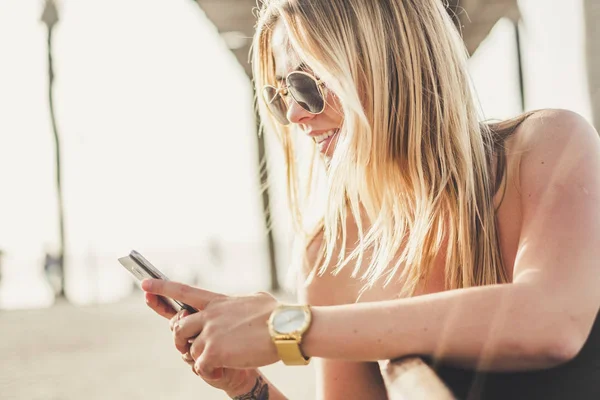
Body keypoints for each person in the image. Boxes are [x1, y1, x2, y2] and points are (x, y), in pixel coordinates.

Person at [142, 0, 600, 399]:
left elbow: (551, 322)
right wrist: (247, 388)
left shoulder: (542, 149)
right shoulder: (331, 256)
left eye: (305, 84)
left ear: (388, 60)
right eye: (281, 96)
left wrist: (287, 328)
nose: (296, 115)